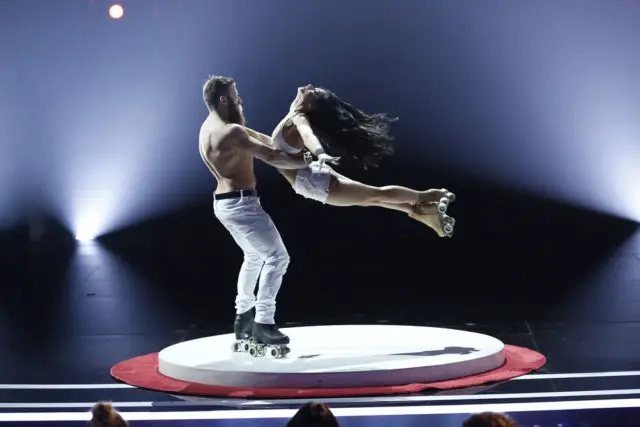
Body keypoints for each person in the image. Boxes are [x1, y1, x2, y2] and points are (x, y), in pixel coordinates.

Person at [246, 84, 455, 237]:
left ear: (310, 105)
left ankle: (426, 196)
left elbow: (307, 133)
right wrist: (241, 131)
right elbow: (274, 146)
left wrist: (319, 151)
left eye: (314, 92)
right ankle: (422, 212)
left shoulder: (299, 118)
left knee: (374, 196)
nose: (309, 86)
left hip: (311, 181)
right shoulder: (294, 111)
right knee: (373, 198)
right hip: (311, 176)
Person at [199, 75, 309, 348]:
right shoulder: (231, 132)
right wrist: (306, 160)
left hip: (224, 204)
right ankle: (263, 322)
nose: (240, 99)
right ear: (224, 99)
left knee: (253, 256)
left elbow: (268, 142)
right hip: (242, 205)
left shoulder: (209, 128)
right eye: (236, 95)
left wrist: (293, 119)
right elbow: (271, 157)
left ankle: (243, 318)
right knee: (277, 258)